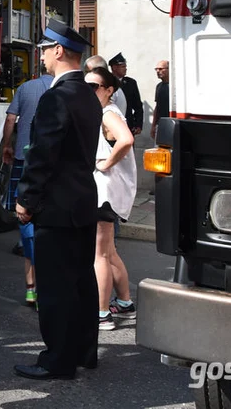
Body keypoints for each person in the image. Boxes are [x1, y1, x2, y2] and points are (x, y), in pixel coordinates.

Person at [12, 19, 100, 381]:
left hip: (57, 206)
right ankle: (84, 352)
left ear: (59, 51)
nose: (43, 56)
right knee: (82, 281)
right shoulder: (87, 95)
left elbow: (43, 154)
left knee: (54, 288)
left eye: (45, 50)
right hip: (82, 201)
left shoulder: (57, 96)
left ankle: (57, 360)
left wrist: (26, 198)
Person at [84, 67, 138, 331]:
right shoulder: (106, 112)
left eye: (94, 86)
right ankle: (125, 303)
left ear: (109, 90)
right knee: (110, 252)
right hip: (110, 192)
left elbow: (126, 140)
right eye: (86, 86)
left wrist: (106, 163)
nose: (89, 91)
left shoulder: (107, 113)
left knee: (100, 256)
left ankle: (102, 314)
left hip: (104, 192)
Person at [1, 70, 53, 306]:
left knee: (24, 216)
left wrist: (6, 145)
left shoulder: (25, 88)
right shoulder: (64, 88)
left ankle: (31, 289)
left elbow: (11, 118)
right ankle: (46, 287)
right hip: (52, 162)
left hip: (24, 157)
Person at [108, 53, 143, 136]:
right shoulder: (107, 82)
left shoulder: (131, 83)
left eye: (125, 66)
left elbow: (138, 106)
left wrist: (138, 124)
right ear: (114, 67)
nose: (125, 69)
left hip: (127, 125)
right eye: (123, 66)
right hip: (110, 124)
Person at [151, 60, 170, 143]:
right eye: (156, 69)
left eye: (161, 69)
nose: (158, 71)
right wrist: (153, 125)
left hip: (171, 123)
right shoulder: (159, 86)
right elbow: (157, 107)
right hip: (160, 124)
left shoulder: (175, 86)